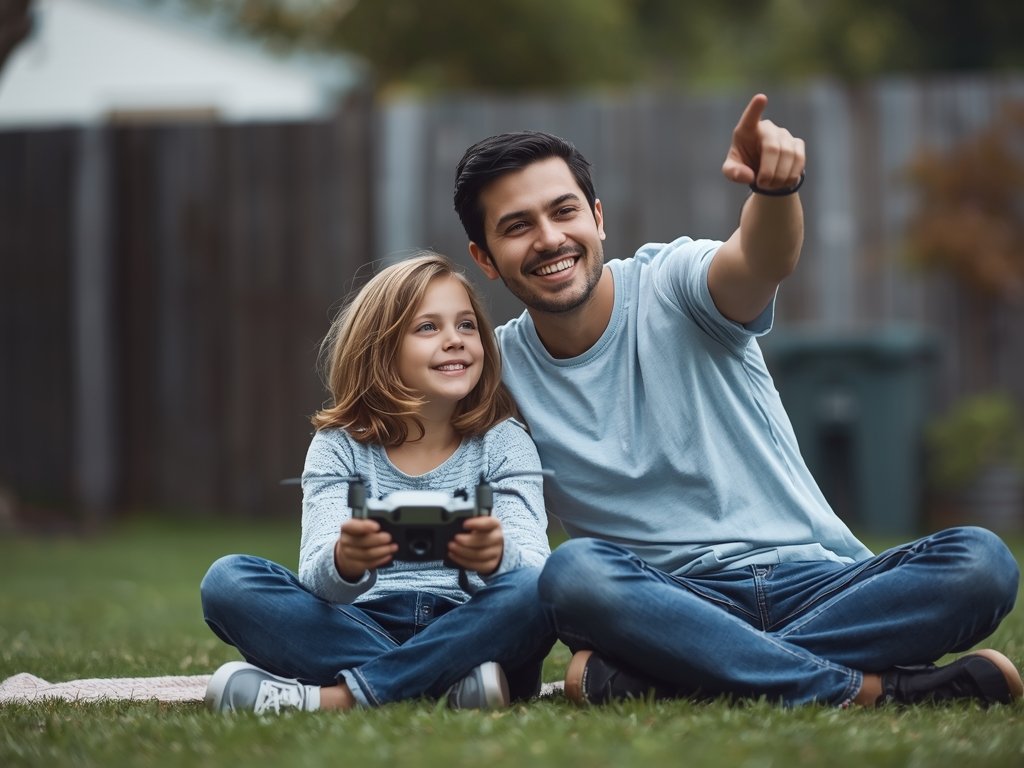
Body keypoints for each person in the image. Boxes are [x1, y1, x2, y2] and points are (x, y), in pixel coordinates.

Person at [452, 93, 1022, 708]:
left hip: (820, 580)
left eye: (564, 212)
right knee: (574, 573)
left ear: (597, 217)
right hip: (667, 600)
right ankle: (872, 689)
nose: (549, 238)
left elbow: (759, 260)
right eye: (517, 227)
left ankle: (686, 677)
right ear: (484, 258)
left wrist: (776, 194)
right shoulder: (495, 377)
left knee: (981, 562)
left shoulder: (673, 280)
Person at [200, 252, 555, 714]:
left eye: (466, 325)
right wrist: (346, 562)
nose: (455, 340)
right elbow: (317, 575)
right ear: (381, 348)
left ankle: (337, 698)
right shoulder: (337, 445)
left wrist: (495, 559)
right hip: (363, 620)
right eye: (429, 328)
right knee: (228, 581)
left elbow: (533, 566)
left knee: (543, 586)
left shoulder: (505, 442)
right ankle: (445, 685)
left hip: (473, 622)